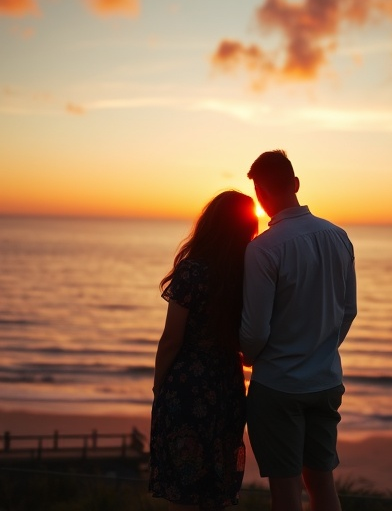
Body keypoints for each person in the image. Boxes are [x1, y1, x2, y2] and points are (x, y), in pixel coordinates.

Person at [240, 150, 357, 511]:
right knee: (322, 484)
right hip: (324, 380)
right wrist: (318, 349)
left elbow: (255, 331)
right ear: (295, 184)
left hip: (278, 386)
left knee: (285, 492)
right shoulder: (339, 237)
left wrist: (246, 356)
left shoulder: (263, 249)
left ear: (259, 194)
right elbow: (348, 311)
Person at [149, 190, 259, 511]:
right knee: (216, 488)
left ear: (209, 224)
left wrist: (159, 383)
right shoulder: (247, 274)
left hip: (187, 389)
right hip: (227, 385)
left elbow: (172, 339)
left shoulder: (192, 271)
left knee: (184, 491)